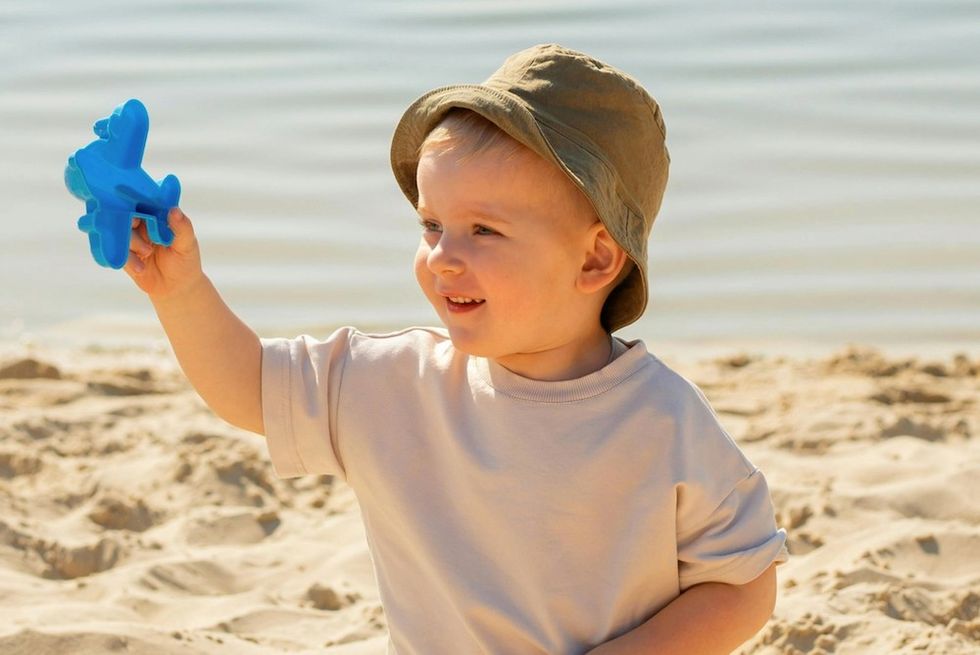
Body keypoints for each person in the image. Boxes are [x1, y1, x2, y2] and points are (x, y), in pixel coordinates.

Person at [123, 43, 789, 655]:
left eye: (483, 230)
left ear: (594, 259)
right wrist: (181, 291)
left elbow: (742, 582)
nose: (442, 258)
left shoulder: (662, 418)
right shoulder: (393, 383)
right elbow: (250, 386)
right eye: (432, 224)